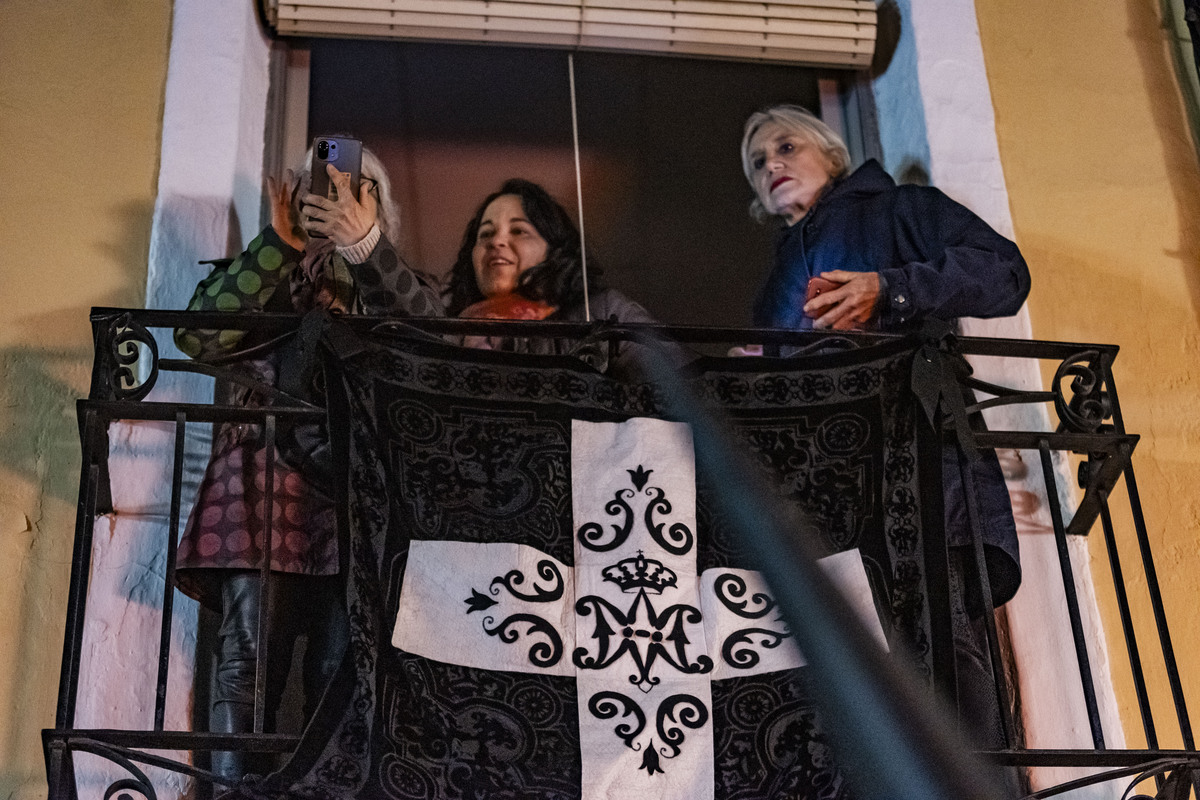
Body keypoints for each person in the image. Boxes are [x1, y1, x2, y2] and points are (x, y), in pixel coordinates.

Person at [739, 104, 1031, 754]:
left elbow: (1006, 273)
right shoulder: (776, 283)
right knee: (852, 671)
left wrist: (891, 287)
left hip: (925, 463)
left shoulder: (900, 209)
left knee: (943, 638)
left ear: (831, 154)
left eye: (786, 147)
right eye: (758, 163)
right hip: (830, 498)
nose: (772, 166)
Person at [173, 147, 439, 782]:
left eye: (353, 188)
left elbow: (436, 346)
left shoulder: (400, 281)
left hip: (358, 489)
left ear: (379, 205)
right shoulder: (265, 267)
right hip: (263, 480)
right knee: (246, 662)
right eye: (318, 184)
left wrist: (365, 250)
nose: (333, 196)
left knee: (340, 670)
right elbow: (198, 334)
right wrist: (280, 243)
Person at [441, 178, 662, 375]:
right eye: (485, 234)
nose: (496, 242)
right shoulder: (445, 326)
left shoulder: (603, 310)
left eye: (518, 231)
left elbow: (675, 387)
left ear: (554, 248)